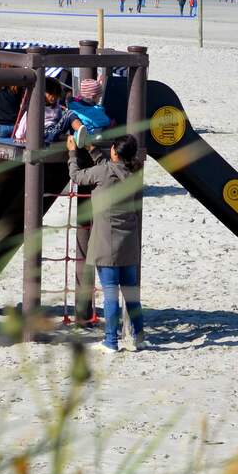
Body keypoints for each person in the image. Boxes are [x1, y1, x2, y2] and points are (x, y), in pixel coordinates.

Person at [70, 134, 145, 352]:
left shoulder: (104, 172)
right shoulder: (134, 171)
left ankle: (111, 341)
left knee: (111, 294)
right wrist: (93, 150)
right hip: (129, 242)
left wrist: (72, 153)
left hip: (106, 242)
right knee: (131, 295)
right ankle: (139, 338)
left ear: (113, 151)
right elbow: (108, 167)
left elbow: (76, 176)